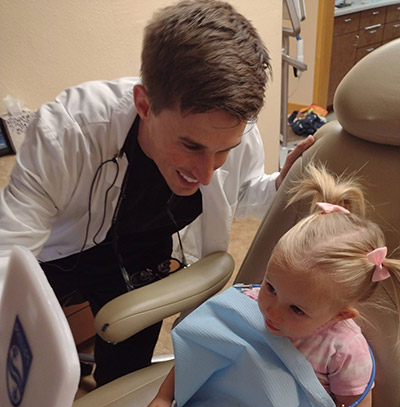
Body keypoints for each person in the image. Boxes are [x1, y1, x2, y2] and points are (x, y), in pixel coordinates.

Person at [3, 163, 400, 407]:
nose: (272, 312)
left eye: (296, 308)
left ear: (340, 315)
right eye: (272, 287)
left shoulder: (345, 352)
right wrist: (165, 397)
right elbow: (207, 348)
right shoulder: (250, 300)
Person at [0, 0, 313, 387]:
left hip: (141, 250)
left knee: (126, 371)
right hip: (57, 252)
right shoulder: (68, 132)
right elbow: (9, 253)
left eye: (223, 152)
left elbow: (244, 194)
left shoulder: (235, 131)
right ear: (144, 105)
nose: (206, 175)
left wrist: (281, 187)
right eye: (192, 146)